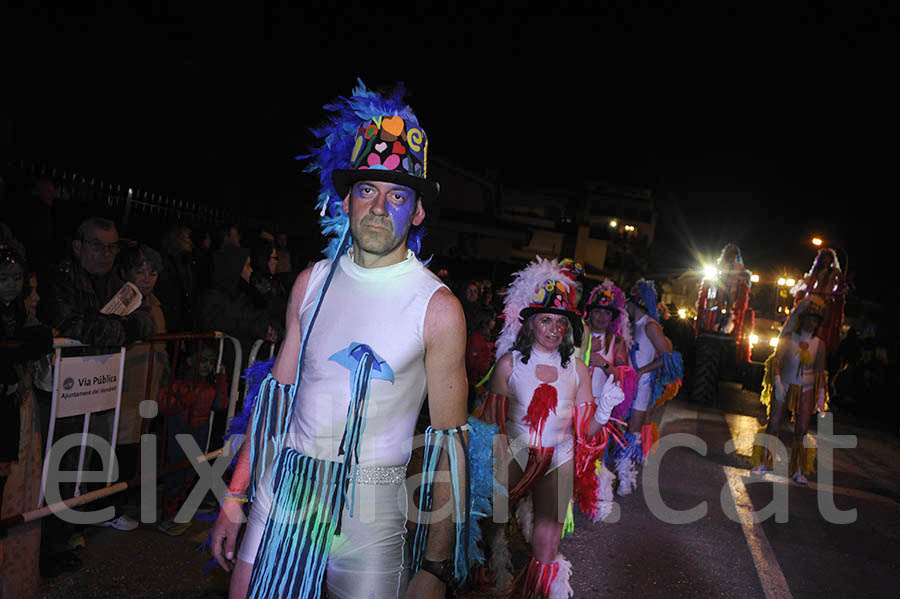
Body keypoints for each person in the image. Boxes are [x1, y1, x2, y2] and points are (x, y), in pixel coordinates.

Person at [210, 82, 485, 599]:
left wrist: (437, 565)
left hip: (374, 508)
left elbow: (450, 445)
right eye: (368, 190)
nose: (380, 207)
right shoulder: (310, 283)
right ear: (346, 200)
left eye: (398, 194)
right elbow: (276, 401)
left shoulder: (438, 307)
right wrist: (235, 495)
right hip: (286, 488)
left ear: (418, 212)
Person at [474, 258, 624, 597]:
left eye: (561, 322)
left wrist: (604, 408)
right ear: (529, 325)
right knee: (493, 523)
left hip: (558, 457)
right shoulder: (508, 365)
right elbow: (490, 423)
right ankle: (488, 574)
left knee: (548, 538)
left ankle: (538, 592)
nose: (554, 328)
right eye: (546, 320)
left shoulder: (578, 371)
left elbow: (587, 432)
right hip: (513, 452)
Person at [1, 238, 54, 596]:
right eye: (5, 277)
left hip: (15, 420)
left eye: (17, 278)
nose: (14, 286)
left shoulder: (22, 317)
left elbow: (39, 341)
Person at [751, 297, 829, 484]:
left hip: (806, 389)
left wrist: (820, 394)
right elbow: (776, 361)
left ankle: (798, 469)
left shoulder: (819, 344)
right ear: (802, 319)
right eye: (809, 319)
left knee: (801, 429)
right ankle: (762, 462)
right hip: (784, 384)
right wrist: (777, 381)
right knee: (774, 423)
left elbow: (819, 372)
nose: (812, 323)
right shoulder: (788, 339)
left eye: (816, 320)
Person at [614, 279, 681, 496]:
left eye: (627, 304)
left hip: (641, 385)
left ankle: (626, 476)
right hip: (625, 383)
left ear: (635, 303)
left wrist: (643, 371)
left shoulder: (650, 325)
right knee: (618, 426)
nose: (624, 308)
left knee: (633, 429)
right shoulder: (634, 324)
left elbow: (669, 357)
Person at [583, 280, 636, 514]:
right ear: (590, 313)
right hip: (576, 405)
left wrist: (602, 363)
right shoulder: (578, 335)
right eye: (598, 311)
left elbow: (624, 377)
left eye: (607, 312)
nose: (602, 317)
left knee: (598, 456)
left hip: (601, 409)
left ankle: (599, 503)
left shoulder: (617, 343)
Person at [155, 224, 195, 333]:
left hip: (181, 317)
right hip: (169, 316)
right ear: (177, 239)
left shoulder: (186, 261)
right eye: (186, 238)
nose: (190, 242)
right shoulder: (164, 263)